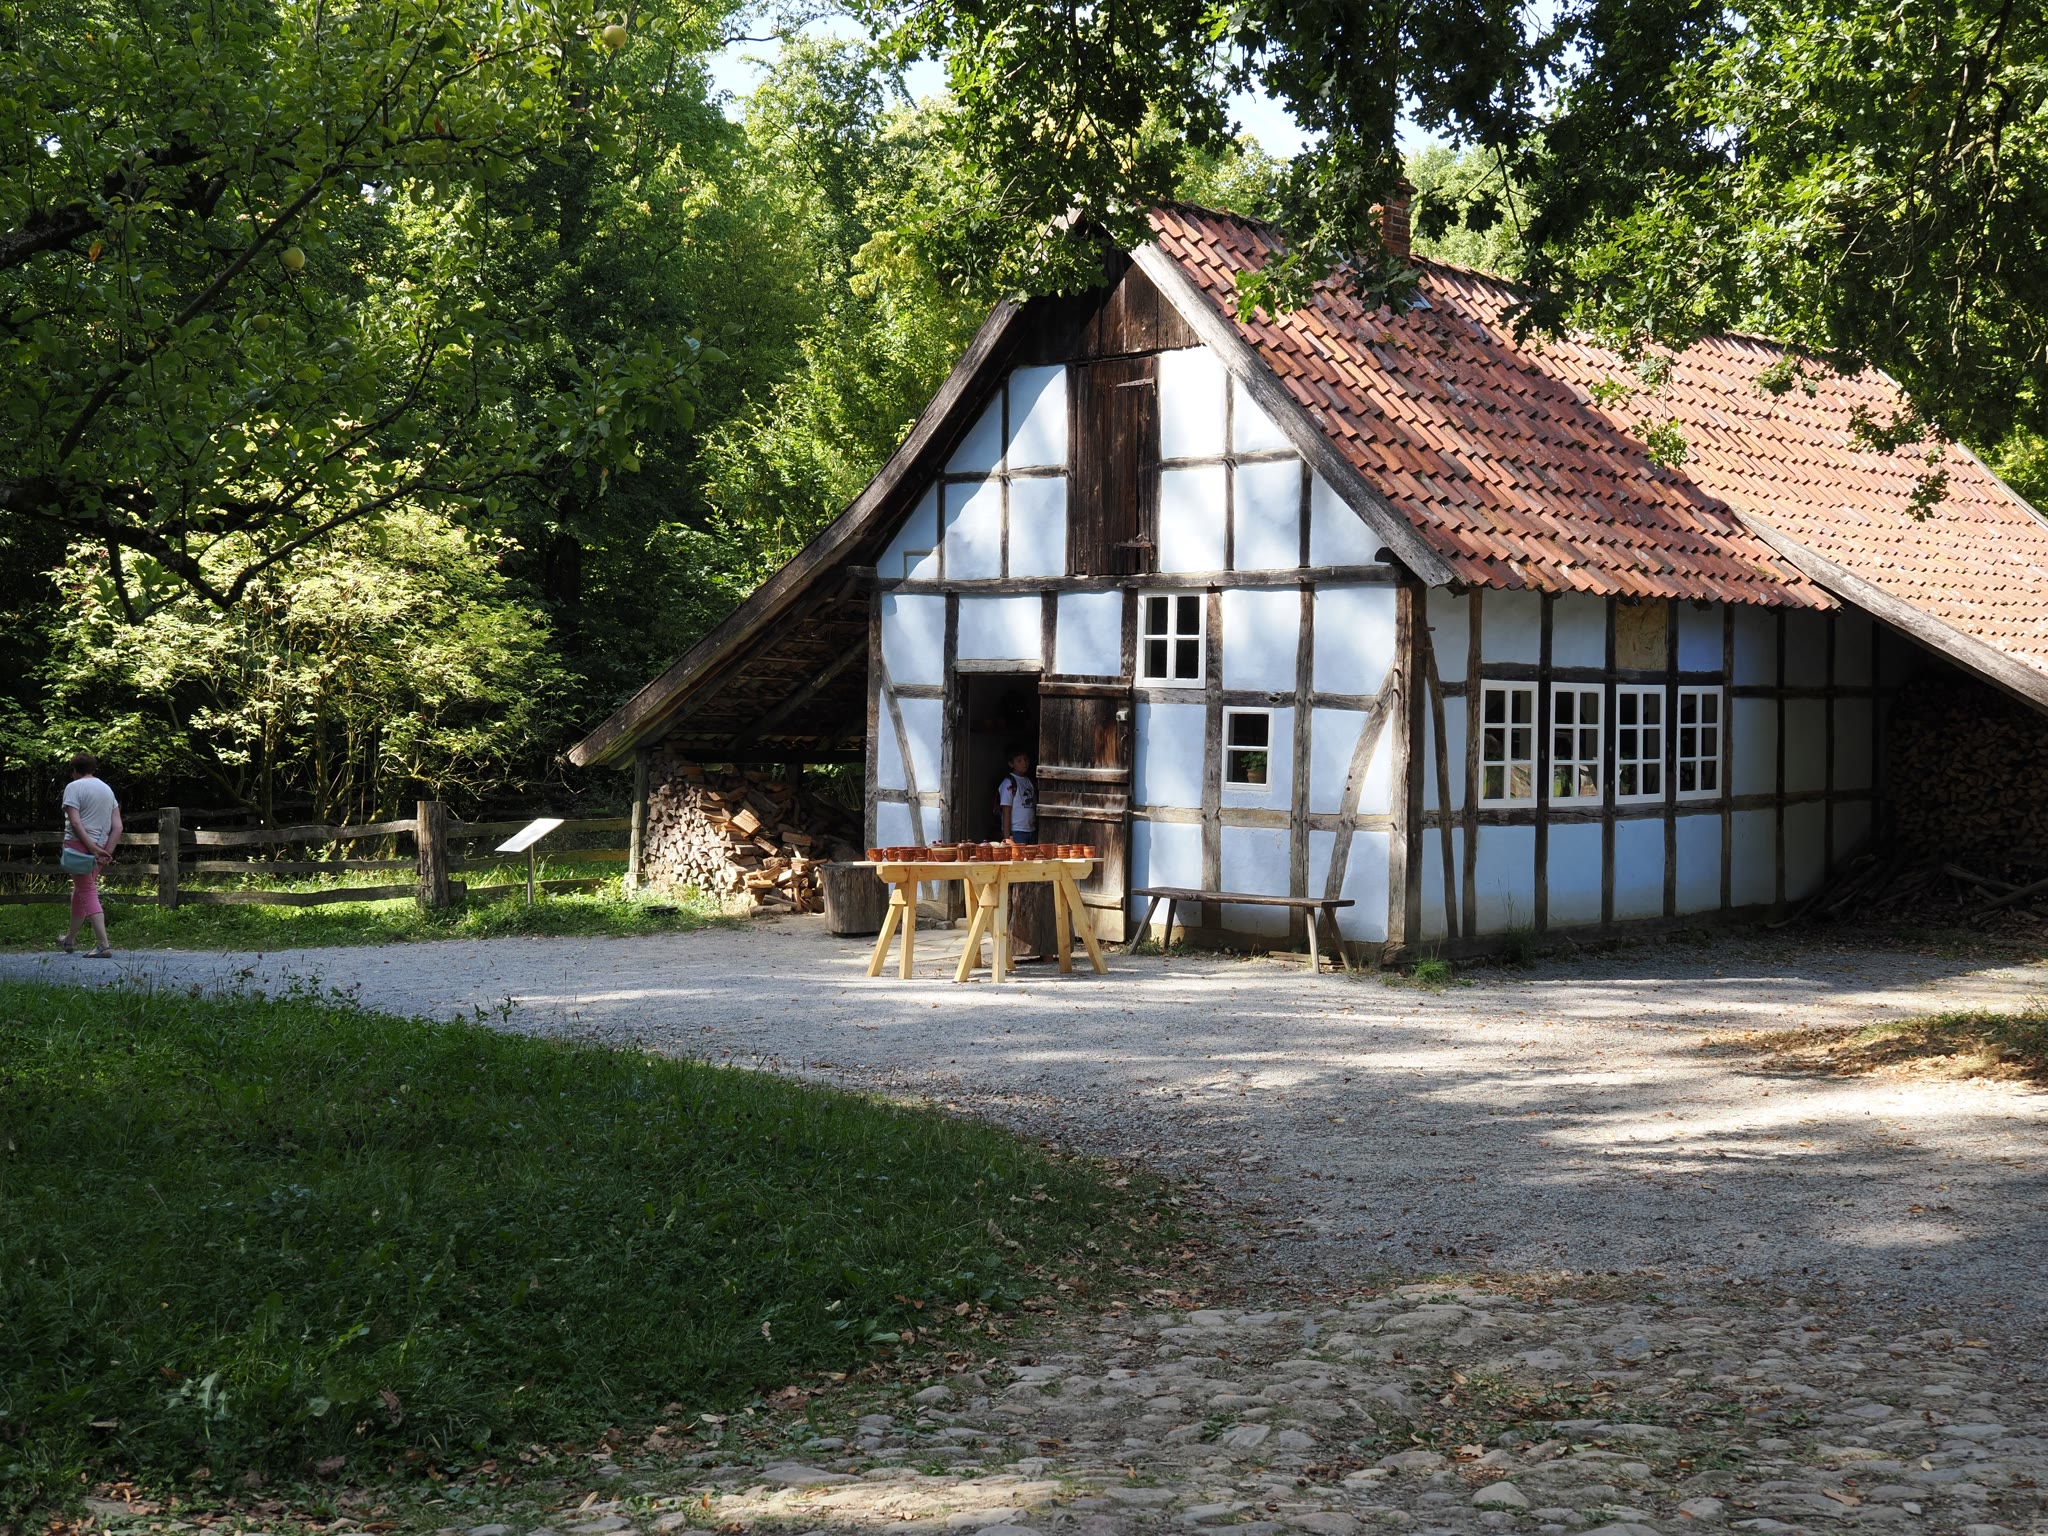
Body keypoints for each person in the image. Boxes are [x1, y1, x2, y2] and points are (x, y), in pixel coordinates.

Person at [58, 752, 121, 958]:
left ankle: (103, 945)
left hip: (79, 847)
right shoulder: (107, 790)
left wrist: (92, 849)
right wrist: (105, 851)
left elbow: (76, 823)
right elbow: (118, 826)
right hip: (101, 847)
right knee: (80, 891)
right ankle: (69, 940)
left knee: (86, 891)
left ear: (75, 770)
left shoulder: (73, 787)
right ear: (93, 769)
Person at [995, 748, 1036, 843]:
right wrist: (1007, 839)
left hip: (1031, 830)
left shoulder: (1029, 781)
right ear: (1011, 764)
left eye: (1026, 759)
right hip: (1017, 831)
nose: (1024, 763)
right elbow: (1006, 812)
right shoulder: (1008, 783)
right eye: (1019, 761)